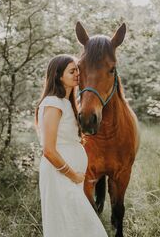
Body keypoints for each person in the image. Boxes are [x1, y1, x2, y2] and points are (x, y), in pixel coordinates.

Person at [35, 54, 108, 237]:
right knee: (84, 227)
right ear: (58, 75)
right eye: (72, 70)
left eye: (78, 69)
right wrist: (73, 174)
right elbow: (49, 150)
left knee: (74, 226)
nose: (78, 73)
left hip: (71, 178)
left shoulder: (68, 103)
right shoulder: (53, 103)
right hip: (60, 174)